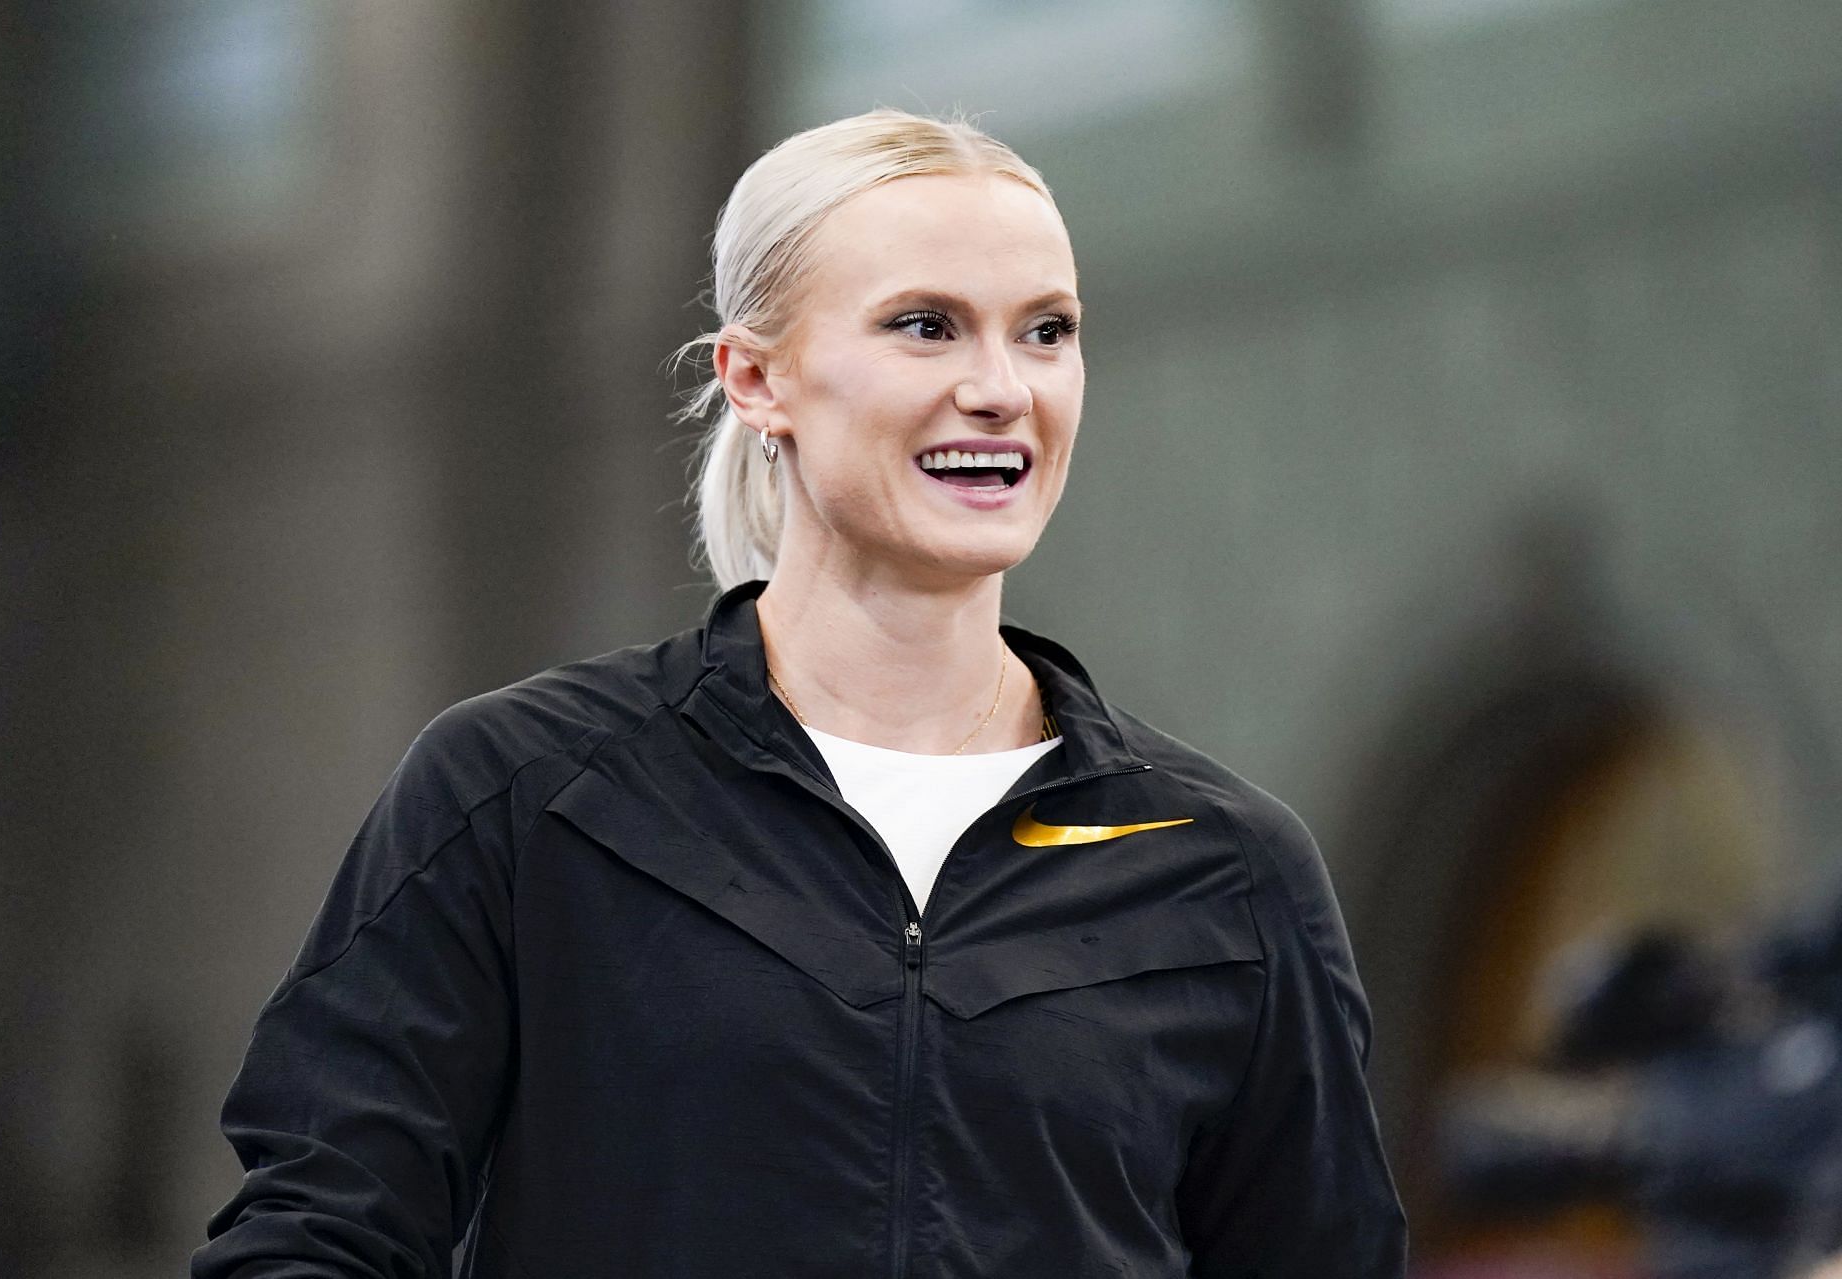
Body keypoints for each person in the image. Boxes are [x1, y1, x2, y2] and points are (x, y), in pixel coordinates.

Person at [194, 108, 1408, 1278]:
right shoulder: (527, 797)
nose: (1001, 387)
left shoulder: (1228, 871)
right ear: (756, 378)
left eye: (1046, 331)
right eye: (926, 326)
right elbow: (311, 1236)